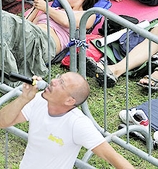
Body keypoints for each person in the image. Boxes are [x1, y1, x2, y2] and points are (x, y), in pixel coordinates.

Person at [0, 72, 134, 168]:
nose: (53, 81)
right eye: (59, 77)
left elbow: (113, 158)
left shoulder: (78, 124)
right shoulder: (38, 99)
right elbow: (3, 121)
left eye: (61, 83)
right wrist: (23, 98)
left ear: (70, 101)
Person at [2, 0, 101, 86]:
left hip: (43, 43)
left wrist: (46, 8)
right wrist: (35, 9)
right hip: (28, 37)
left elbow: (67, 21)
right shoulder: (55, 10)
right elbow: (22, 26)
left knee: (4, 18)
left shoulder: (87, 15)